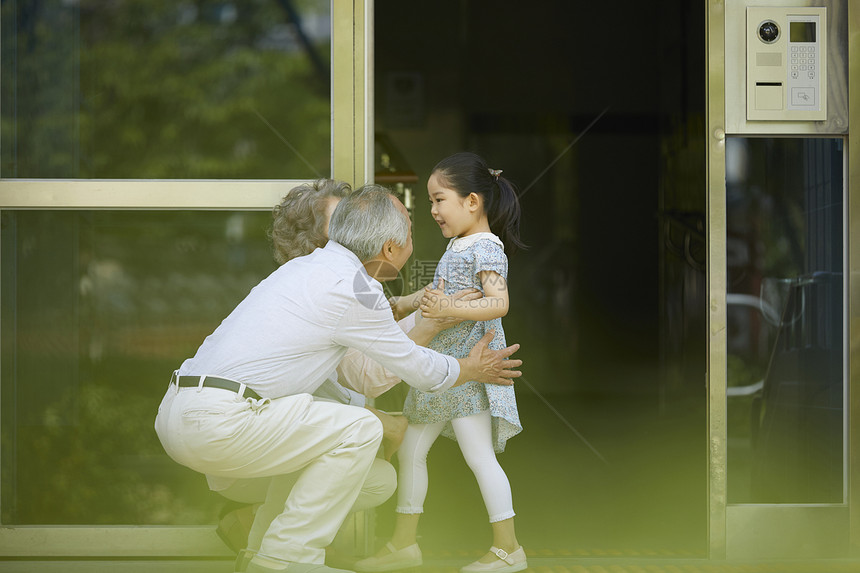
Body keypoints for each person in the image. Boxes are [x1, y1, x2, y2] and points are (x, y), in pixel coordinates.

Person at [154, 185, 523, 573]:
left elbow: (362, 373)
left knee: (324, 447)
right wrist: (468, 368)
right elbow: (413, 366)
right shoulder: (355, 288)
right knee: (360, 428)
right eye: (410, 234)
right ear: (390, 249)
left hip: (183, 412)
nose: (416, 237)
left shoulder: (309, 269)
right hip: (221, 422)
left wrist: (423, 315)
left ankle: (261, 552)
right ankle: (286, 560)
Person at [355, 153, 527, 573]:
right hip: (438, 369)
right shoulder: (458, 246)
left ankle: (509, 550)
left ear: (472, 201)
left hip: (468, 370)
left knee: (478, 456)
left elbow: (499, 302)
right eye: (430, 202)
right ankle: (403, 545)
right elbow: (436, 292)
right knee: (411, 450)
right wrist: (409, 303)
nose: (432, 211)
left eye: (438, 200)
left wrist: (450, 307)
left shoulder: (487, 247)